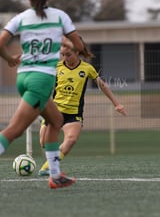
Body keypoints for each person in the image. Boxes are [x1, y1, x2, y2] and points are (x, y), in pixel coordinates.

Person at [0, 0, 85, 190]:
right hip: (41, 79)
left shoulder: (20, 18)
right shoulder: (59, 16)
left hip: (24, 77)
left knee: (56, 121)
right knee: (16, 129)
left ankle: (55, 176)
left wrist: (10, 58)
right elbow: (79, 45)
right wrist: (67, 44)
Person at [38, 39, 127, 176]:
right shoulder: (57, 67)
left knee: (71, 139)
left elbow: (102, 85)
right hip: (54, 112)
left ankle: (47, 168)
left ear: (77, 52)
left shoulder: (87, 69)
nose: (65, 58)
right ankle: (44, 125)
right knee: (44, 143)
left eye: (68, 54)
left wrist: (117, 104)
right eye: (62, 55)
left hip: (73, 114)